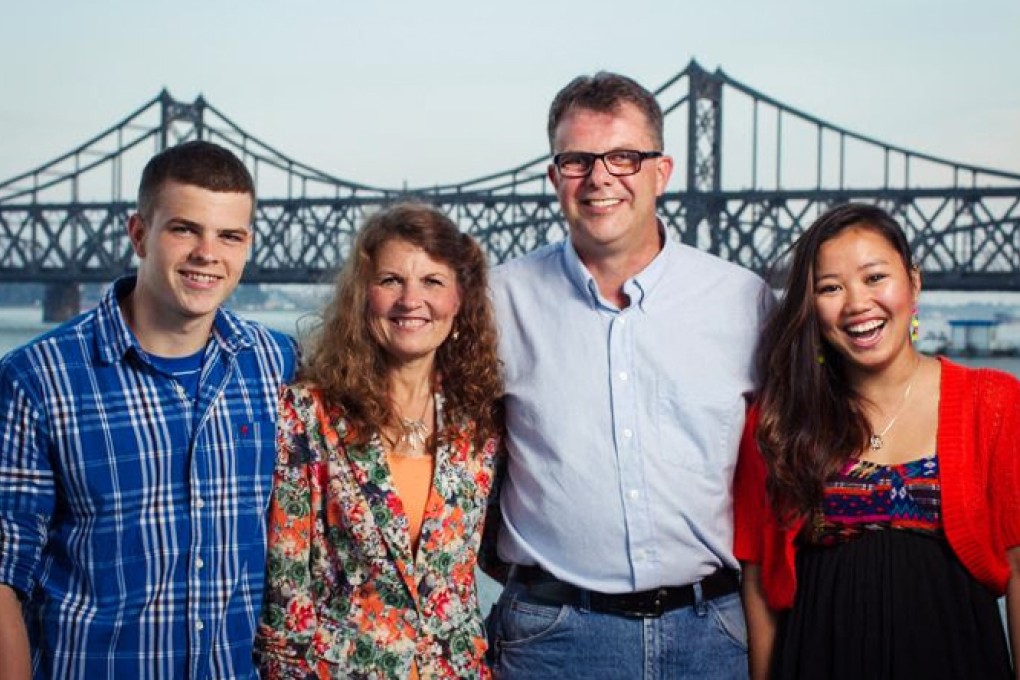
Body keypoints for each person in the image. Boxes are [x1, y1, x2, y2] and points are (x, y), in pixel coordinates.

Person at [484, 72, 770, 678]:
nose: (600, 178)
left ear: (662, 172)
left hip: (713, 634)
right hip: (552, 639)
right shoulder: (494, 301)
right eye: (577, 161)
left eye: (623, 157)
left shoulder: (744, 301)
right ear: (553, 177)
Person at [0, 140, 299, 679]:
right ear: (138, 233)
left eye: (229, 235)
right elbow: (4, 574)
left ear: (248, 244)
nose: (208, 253)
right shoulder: (37, 379)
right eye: (184, 229)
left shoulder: (278, 364)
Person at [734, 202, 1020, 679]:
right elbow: (759, 578)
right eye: (830, 288)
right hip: (817, 661)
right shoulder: (777, 418)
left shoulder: (994, 402)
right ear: (812, 306)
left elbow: (1017, 562)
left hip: (959, 659)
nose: (856, 304)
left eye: (874, 278)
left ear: (914, 282)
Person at [254, 203, 502, 679]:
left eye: (432, 281)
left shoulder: (479, 423)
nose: (411, 300)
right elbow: (287, 586)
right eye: (391, 280)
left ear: (459, 298)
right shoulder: (308, 413)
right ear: (362, 296)